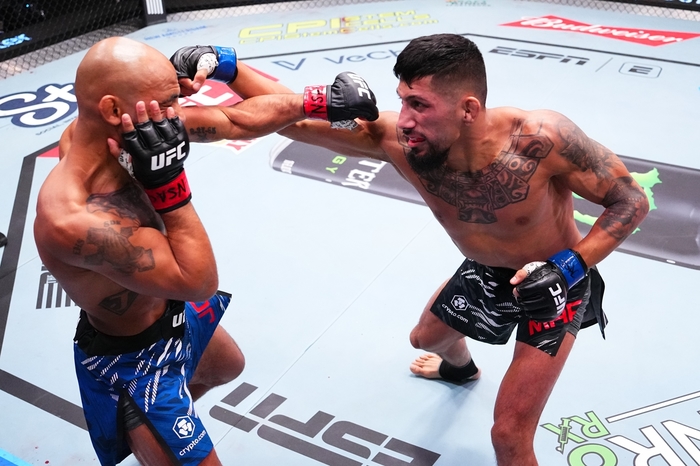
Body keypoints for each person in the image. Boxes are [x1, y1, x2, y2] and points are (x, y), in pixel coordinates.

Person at [170, 34, 649, 465]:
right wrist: (230, 67)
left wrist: (568, 267)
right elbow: (292, 121)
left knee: (508, 436)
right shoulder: (401, 141)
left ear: (468, 109)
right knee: (425, 340)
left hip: (553, 286)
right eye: (402, 101)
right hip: (484, 270)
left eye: (419, 105)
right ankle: (461, 370)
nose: (405, 120)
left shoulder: (540, 139)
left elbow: (631, 200)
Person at [36, 37, 377, 466]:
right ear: (111, 108)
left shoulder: (129, 133)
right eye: (167, 102)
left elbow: (235, 120)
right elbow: (197, 281)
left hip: (171, 311)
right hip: (134, 357)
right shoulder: (71, 218)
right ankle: (142, 423)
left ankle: (160, 433)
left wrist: (319, 100)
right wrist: (168, 184)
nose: (177, 112)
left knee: (226, 365)